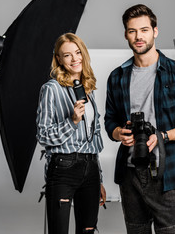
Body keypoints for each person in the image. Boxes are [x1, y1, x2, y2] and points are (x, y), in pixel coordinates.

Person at [104, 4, 175, 233]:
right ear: (126, 34)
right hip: (130, 173)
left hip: (168, 172)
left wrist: (162, 136)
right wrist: (117, 132)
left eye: (144, 30)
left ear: (155, 31)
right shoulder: (117, 77)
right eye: (132, 31)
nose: (138, 36)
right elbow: (110, 119)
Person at [36, 33, 106, 234]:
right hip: (63, 168)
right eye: (67, 55)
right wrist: (72, 121)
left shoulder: (88, 89)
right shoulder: (51, 89)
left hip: (90, 168)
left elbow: (94, 136)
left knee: (87, 231)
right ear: (59, 59)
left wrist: (98, 178)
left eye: (77, 53)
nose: (75, 59)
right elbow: (43, 135)